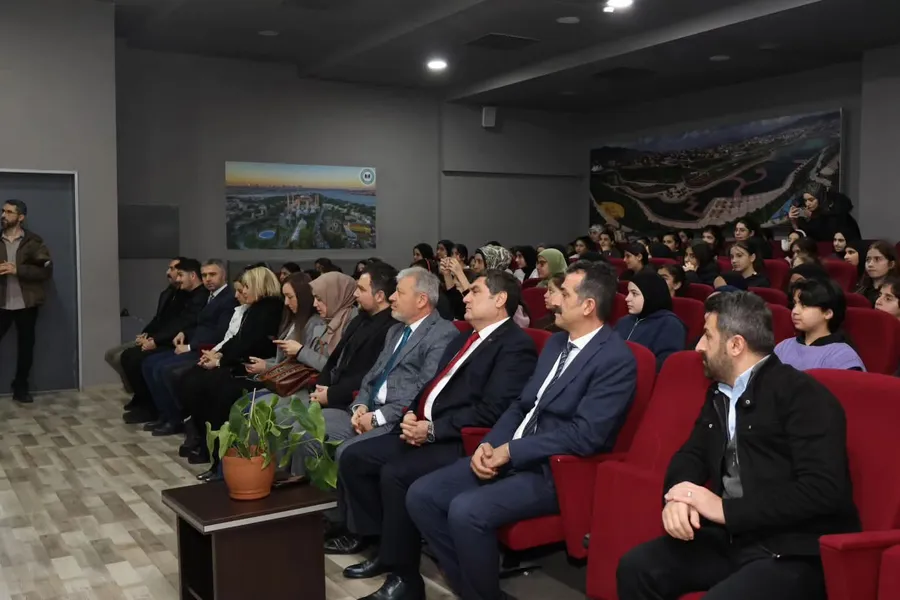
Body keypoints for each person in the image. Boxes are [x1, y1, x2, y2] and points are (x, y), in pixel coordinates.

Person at [408, 261, 637, 600]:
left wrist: (511, 451)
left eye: (564, 295)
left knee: (466, 510)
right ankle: (476, 591)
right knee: (422, 495)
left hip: (552, 470)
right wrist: (489, 445)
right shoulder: (557, 344)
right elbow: (521, 405)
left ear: (588, 306)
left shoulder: (616, 359)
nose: (553, 300)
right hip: (510, 454)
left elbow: (585, 435)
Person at [617, 291, 860, 600]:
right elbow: (692, 454)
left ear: (735, 345)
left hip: (794, 549)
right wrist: (679, 495)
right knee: (637, 568)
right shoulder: (721, 393)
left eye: (707, 336)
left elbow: (822, 490)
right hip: (734, 537)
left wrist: (725, 509)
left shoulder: (804, 396)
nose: (698, 346)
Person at [333, 272, 539, 596]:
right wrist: (412, 412)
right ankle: (383, 548)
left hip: (461, 440)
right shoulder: (464, 338)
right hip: (425, 428)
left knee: (396, 474)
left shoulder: (515, 346)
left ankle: (405, 578)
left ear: (500, 300)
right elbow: (430, 386)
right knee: (356, 457)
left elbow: (493, 410)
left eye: (475, 292)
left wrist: (431, 429)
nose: (465, 297)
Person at [310, 267, 457, 477]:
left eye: (400, 292)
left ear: (421, 300)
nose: (392, 297)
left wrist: (376, 418)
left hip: (397, 421)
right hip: (368, 412)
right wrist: (360, 406)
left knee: (346, 453)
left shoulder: (442, 334)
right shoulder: (396, 330)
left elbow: (423, 391)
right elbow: (371, 376)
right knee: (308, 424)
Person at [178, 266, 284, 476]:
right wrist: (218, 355)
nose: (242, 292)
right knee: (194, 379)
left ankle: (219, 460)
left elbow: (251, 345)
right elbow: (237, 340)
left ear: (258, 286)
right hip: (244, 365)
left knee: (215, 389)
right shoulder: (256, 308)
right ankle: (206, 446)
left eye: (246, 287)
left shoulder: (269, 309)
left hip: (256, 370)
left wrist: (220, 361)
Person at [141, 259, 237, 436]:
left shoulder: (229, 299)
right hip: (194, 343)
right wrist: (184, 332)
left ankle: (176, 419)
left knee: (165, 369)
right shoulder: (210, 296)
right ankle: (165, 414)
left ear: (223, 275)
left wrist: (190, 346)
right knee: (150, 364)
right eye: (205, 275)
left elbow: (220, 333)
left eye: (212, 274)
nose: (208, 279)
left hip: (206, 349)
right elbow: (200, 324)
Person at [120, 258, 211, 424]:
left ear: (192, 276)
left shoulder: (200, 296)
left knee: (144, 362)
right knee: (129, 357)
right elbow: (164, 320)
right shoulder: (176, 293)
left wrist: (156, 340)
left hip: (181, 343)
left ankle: (158, 410)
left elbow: (184, 324)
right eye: (205, 275)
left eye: (180, 274)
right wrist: (148, 335)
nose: (176, 278)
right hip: (173, 339)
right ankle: (148, 403)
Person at [106, 257, 186, 397]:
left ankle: (141, 395)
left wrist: (153, 340)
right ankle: (135, 391)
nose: (168, 272)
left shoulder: (185, 297)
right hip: (154, 337)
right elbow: (158, 319)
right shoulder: (167, 294)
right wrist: (146, 334)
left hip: (164, 341)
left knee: (127, 357)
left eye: (173, 269)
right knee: (111, 355)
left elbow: (175, 326)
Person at [0, 199, 53, 403]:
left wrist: (18, 270)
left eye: (9, 212)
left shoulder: (34, 242)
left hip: (26, 304)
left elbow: (46, 271)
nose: (3, 215)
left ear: (20, 217)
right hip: (2, 304)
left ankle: (20, 387)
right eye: (3, 211)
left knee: (26, 348)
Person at [774, 278, 865, 371]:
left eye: (804, 305)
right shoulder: (784, 346)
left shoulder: (843, 356)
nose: (795, 311)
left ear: (827, 313)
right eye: (795, 304)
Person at [615, 271, 686, 371]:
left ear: (650, 295)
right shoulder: (624, 321)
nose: (627, 298)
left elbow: (665, 366)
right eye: (628, 292)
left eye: (634, 294)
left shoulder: (670, 325)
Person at [789, 189, 861, 242]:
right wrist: (794, 222)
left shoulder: (837, 216)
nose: (807, 204)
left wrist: (813, 217)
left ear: (821, 199)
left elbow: (826, 235)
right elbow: (804, 239)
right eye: (805, 200)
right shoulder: (808, 216)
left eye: (811, 200)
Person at [855, 241, 899, 306]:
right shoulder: (860, 289)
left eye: (877, 259)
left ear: (891, 264)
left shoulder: (895, 292)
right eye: (868, 260)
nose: (870, 264)